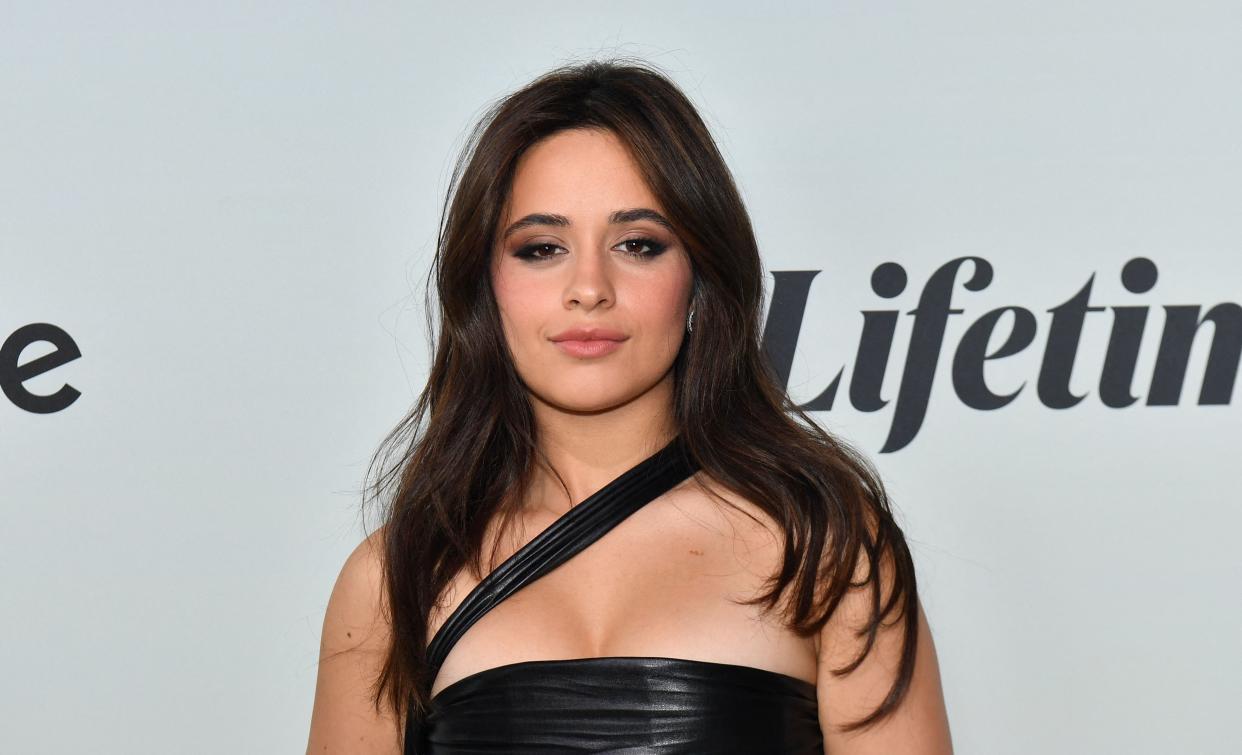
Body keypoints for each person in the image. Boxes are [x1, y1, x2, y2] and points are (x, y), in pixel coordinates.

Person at [306, 57, 953, 754]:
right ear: (484, 284)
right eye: (542, 247)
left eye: (638, 244)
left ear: (700, 276)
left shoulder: (822, 545)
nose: (590, 287)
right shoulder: (396, 576)